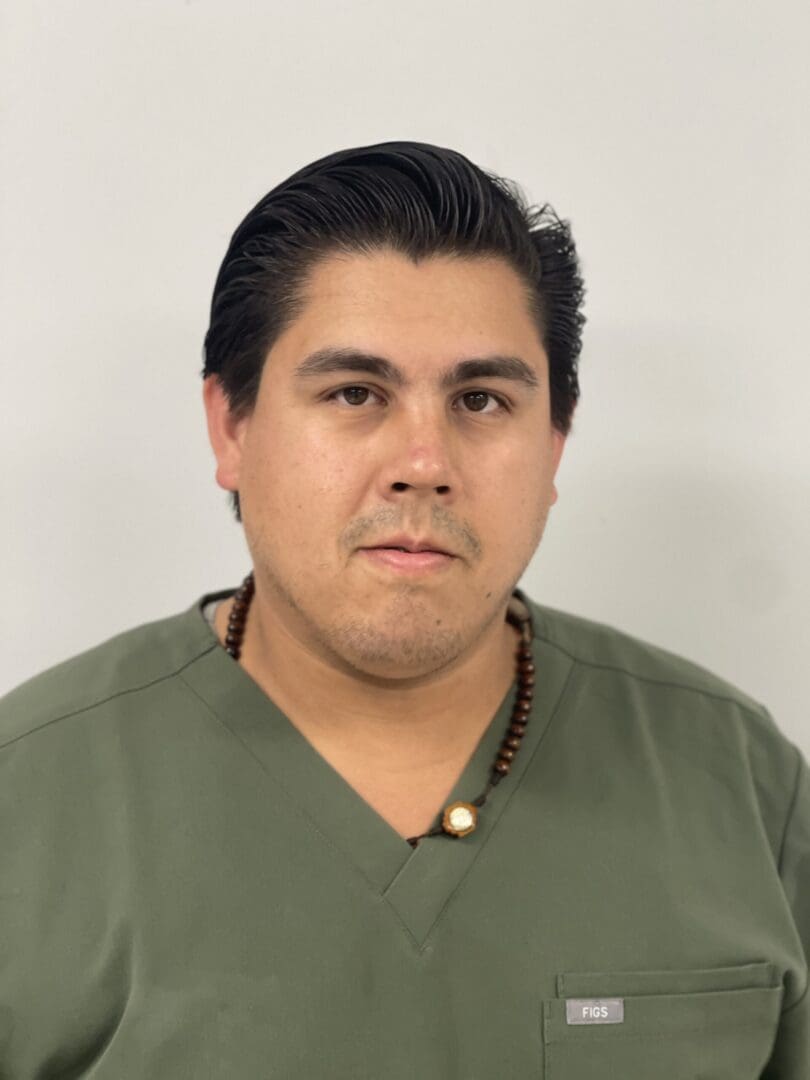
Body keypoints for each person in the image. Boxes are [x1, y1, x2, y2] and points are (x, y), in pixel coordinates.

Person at [0, 140, 806, 1079]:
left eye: (481, 398)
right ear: (232, 426)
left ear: (553, 444)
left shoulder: (743, 788)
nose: (424, 462)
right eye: (354, 392)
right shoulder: (28, 800)